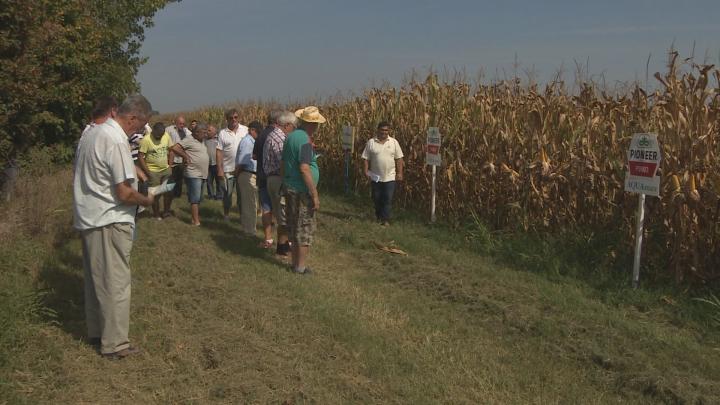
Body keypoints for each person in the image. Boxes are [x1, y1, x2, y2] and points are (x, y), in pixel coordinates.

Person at [73, 94, 155, 359]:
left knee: (97, 281)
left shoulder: (92, 133)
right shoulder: (117, 139)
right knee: (116, 283)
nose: (140, 131)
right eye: (141, 125)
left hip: (90, 216)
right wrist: (146, 200)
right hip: (109, 218)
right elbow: (123, 192)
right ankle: (116, 343)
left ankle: (98, 333)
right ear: (132, 118)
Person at [282, 106, 325, 275]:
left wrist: (284, 182)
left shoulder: (291, 136)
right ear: (313, 124)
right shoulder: (306, 141)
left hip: (291, 187)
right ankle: (300, 267)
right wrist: (314, 194)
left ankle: (294, 264)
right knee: (304, 229)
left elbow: (284, 163)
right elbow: (304, 169)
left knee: (293, 226)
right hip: (302, 192)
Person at [264, 111, 295, 256]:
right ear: (287, 125)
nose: (293, 130)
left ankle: (283, 246)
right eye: (293, 127)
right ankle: (282, 248)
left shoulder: (272, 135)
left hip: (271, 178)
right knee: (284, 215)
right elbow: (284, 162)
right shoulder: (280, 138)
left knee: (280, 214)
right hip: (278, 179)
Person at [361, 121, 404, 226]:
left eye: (386, 130)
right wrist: (366, 171)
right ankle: (379, 216)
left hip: (390, 177)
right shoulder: (371, 142)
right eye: (382, 130)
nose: (384, 132)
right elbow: (366, 158)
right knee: (376, 198)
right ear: (378, 130)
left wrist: (400, 173)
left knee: (387, 198)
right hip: (375, 176)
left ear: (389, 131)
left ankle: (385, 220)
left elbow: (399, 158)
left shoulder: (393, 142)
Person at [171, 123, 209, 226]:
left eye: (206, 132)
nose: (205, 134)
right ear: (196, 133)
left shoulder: (202, 141)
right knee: (195, 198)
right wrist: (185, 156)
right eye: (203, 133)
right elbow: (175, 148)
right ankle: (195, 221)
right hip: (193, 173)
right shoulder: (189, 139)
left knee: (198, 198)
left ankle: (194, 218)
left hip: (202, 173)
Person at [253, 111, 280, 248]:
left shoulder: (261, 135)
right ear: (277, 121)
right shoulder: (279, 136)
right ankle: (281, 239)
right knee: (278, 207)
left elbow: (254, 156)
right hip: (276, 176)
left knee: (266, 208)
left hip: (262, 176)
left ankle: (268, 238)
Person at [138, 122, 174, 220]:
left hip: (166, 170)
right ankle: (157, 214)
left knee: (169, 191)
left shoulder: (166, 136)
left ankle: (166, 212)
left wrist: (170, 166)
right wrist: (147, 171)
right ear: (153, 130)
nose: (159, 136)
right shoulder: (146, 140)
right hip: (153, 171)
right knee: (155, 194)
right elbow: (141, 157)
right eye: (157, 134)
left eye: (161, 135)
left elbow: (171, 150)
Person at [216, 108, 247, 220]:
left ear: (238, 118)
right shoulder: (223, 133)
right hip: (228, 169)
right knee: (227, 195)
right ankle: (226, 214)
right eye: (231, 118)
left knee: (242, 195)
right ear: (227, 119)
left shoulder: (245, 130)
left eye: (236, 117)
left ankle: (242, 216)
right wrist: (219, 168)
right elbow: (219, 151)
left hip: (243, 169)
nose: (233, 120)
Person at [235, 121, 262, 235]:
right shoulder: (247, 142)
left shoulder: (251, 141)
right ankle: (249, 230)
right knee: (249, 204)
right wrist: (237, 174)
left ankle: (249, 228)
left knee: (251, 203)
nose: (258, 135)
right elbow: (242, 162)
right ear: (252, 130)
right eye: (257, 132)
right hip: (246, 173)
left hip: (249, 174)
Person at [166, 116, 191, 202]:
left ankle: (177, 194)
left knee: (179, 178)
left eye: (183, 124)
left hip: (181, 159)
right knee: (171, 177)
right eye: (180, 123)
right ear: (175, 123)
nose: (182, 125)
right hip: (171, 158)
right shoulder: (169, 130)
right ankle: (170, 194)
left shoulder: (185, 131)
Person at [204, 124, 221, 199]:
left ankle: (219, 195)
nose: (207, 132)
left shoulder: (219, 139)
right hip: (208, 165)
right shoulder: (205, 140)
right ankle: (211, 195)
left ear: (214, 131)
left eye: (209, 130)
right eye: (207, 130)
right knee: (209, 181)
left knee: (218, 181)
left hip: (217, 164)